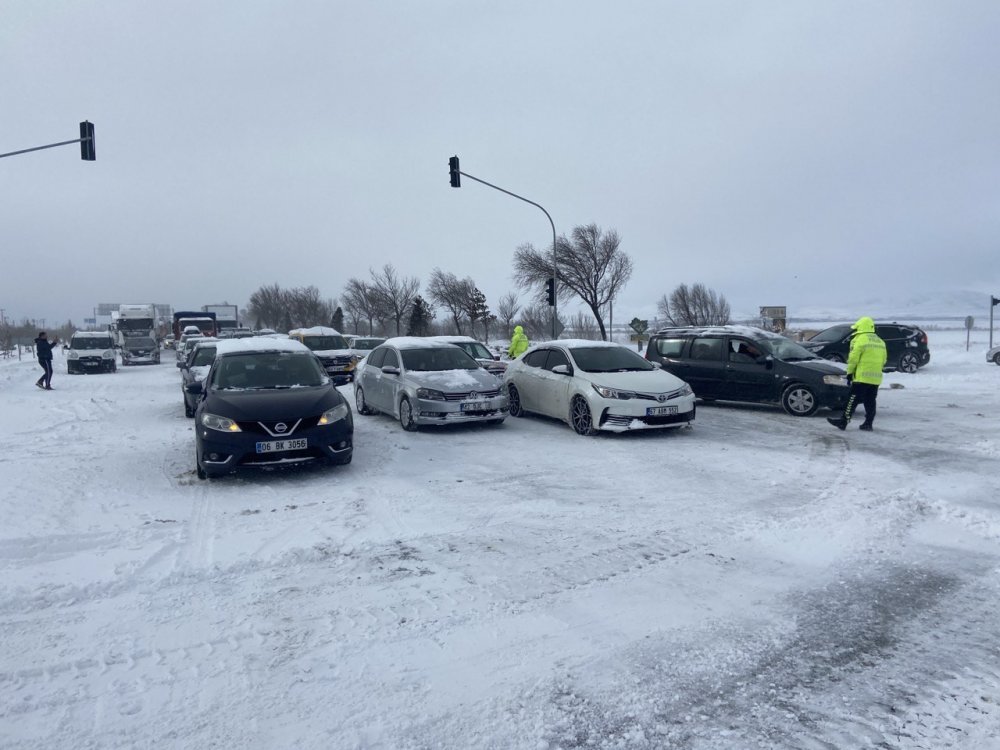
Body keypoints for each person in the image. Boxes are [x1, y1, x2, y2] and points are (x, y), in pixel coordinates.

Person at [827, 316, 886, 431]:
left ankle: (843, 422)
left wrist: (850, 373)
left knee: (852, 399)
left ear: (861, 327)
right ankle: (868, 423)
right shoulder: (880, 341)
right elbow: (884, 360)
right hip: (876, 378)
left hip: (861, 377)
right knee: (870, 401)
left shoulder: (859, 339)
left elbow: (853, 358)